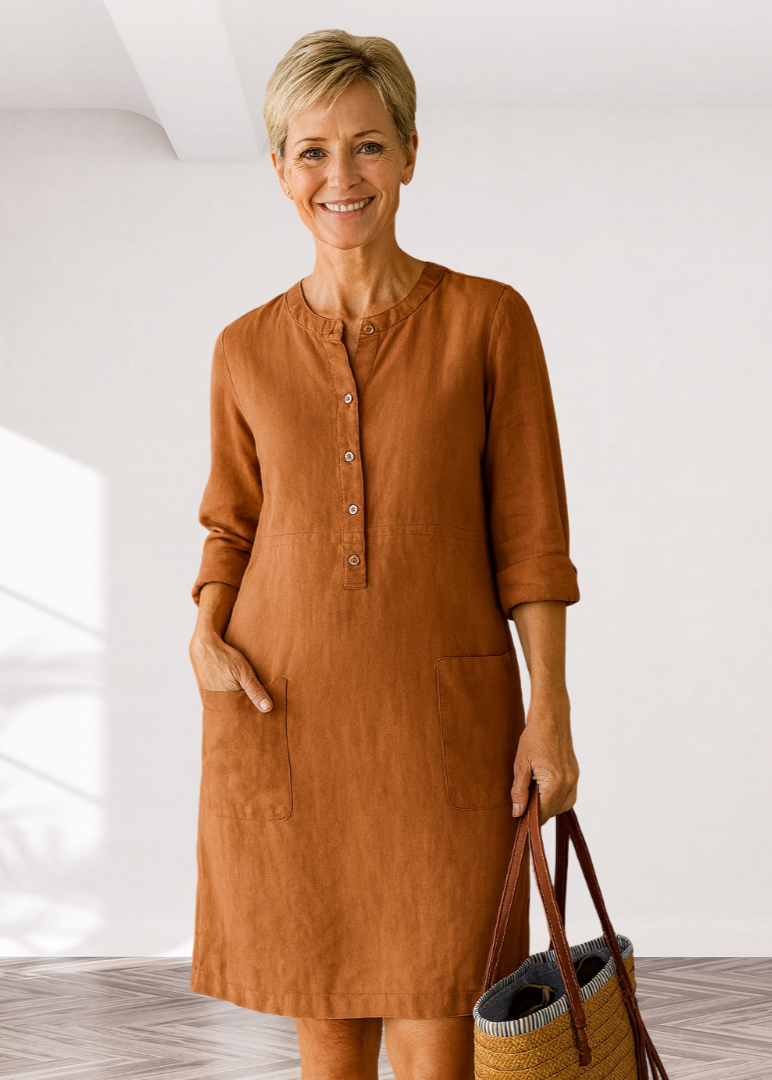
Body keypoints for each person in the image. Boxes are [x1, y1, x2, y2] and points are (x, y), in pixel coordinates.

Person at [188, 29, 580, 1080]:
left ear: (408, 152)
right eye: (311, 151)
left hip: (443, 737)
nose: (341, 176)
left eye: (366, 145)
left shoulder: (488, 322)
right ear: (280, 170)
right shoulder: (244, 348)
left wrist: (549, 707)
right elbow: (230, 524)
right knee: (327, 1036)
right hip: (285, 714)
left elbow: (533, 538)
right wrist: (203, 632)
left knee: (441, 1031)